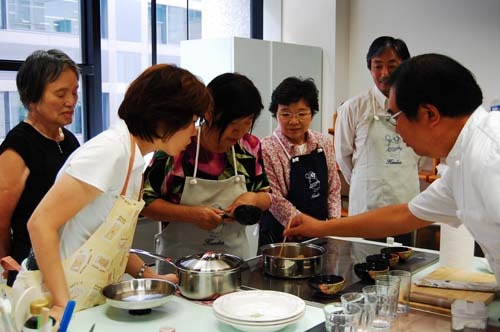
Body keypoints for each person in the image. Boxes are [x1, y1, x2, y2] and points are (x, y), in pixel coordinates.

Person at [13, 64, 212, 320]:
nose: (195, 132)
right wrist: (63, 305)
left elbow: (107, 239)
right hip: (53, 302)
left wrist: (151, 277)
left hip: (89, 303)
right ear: (164, 118)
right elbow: (40, 224)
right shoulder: (109, 151)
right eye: (192, 122)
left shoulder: (134, 160)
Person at [284, 53, 500, 284]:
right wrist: (320, 227)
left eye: (396, 117)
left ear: (430, 114)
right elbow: (405, 214)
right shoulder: (461, 161)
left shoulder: (489, 156)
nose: (395, 130)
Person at [142, 72, 271, 272]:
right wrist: (192, 215)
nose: (240, 134)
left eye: (248, 123)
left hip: (233, 264)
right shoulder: (176, 146)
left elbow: (267, 196)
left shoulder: (249, 147)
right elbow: (144, 203)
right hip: (180, 267)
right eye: (234, 126)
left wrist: (252, 199)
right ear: (210, 113)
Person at [0, 49, 80, 286]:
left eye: (74, 92)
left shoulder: (68, 139)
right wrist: (5, 264)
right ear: (32, 98)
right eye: (60, 94)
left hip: (67, 258)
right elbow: (1, 220)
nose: (71, 101)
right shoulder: (18, 146)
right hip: (30, 267)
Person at [334, 36, 419, 246]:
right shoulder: (353, 108)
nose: (385, 73)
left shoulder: (416, 109)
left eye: (392, 65)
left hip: (405, 207)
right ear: (370, 68)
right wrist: (367, 180)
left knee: (405, 268)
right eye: (377, 66)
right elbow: (343, 156)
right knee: (365, 267)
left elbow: (420, 156)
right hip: (366, 209)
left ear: (404, 66)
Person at [259, 77, 342, 247]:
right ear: (276, 115)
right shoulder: (266, 147)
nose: (294, 121)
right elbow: (274, 198)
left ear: (312, 113)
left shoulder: (323, 142)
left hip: (321, 231)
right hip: (283, 234)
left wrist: (332, 225)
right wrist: (306, 226)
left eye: (301, 113)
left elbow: (333, 185)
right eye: (286, 114)